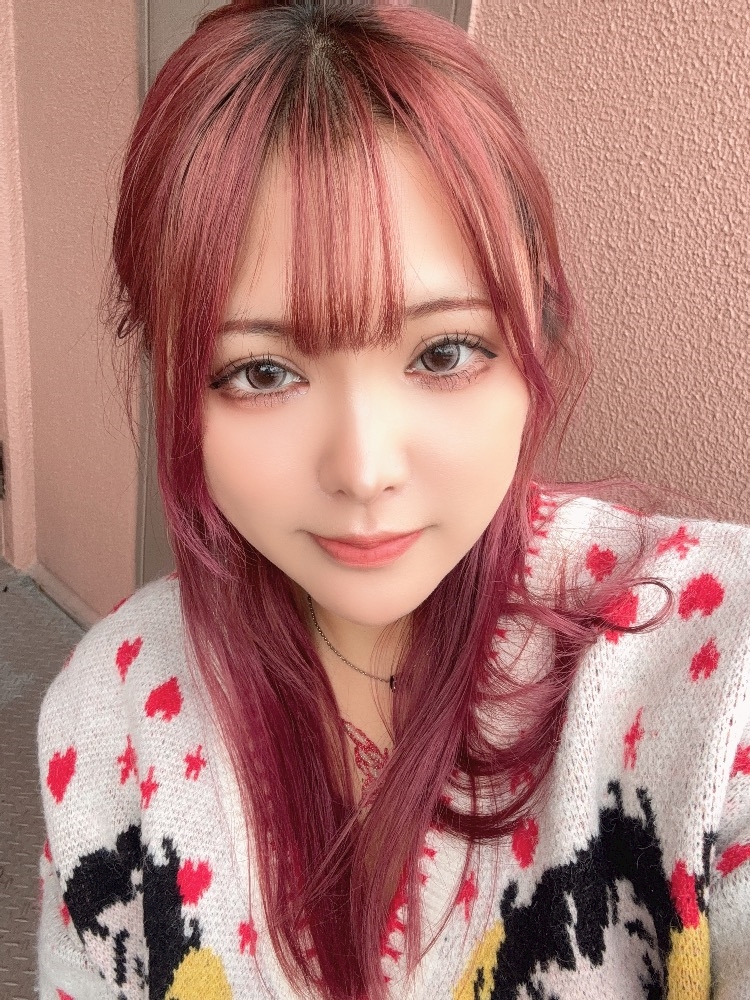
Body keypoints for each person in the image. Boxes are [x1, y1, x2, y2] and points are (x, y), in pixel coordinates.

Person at [36, 1, 750, 998]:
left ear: (536, 336)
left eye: (444, 351)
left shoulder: (706, 664)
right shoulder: (105, 712)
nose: (364, 470)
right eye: (263, 371)